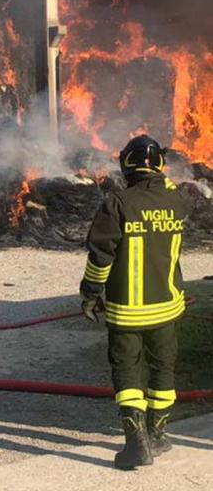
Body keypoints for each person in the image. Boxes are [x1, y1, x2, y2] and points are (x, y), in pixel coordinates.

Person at [79, 134, 191, 470]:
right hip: (168, 307)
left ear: (126, 165)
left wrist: (90, 292)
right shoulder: (178, 200)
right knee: (163, 369)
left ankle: (136, 444)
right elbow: (168, 195)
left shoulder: (118, 204)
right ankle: (158, 435)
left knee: (127, 370)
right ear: (160, 165)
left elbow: (101, 257)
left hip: (127, 311)